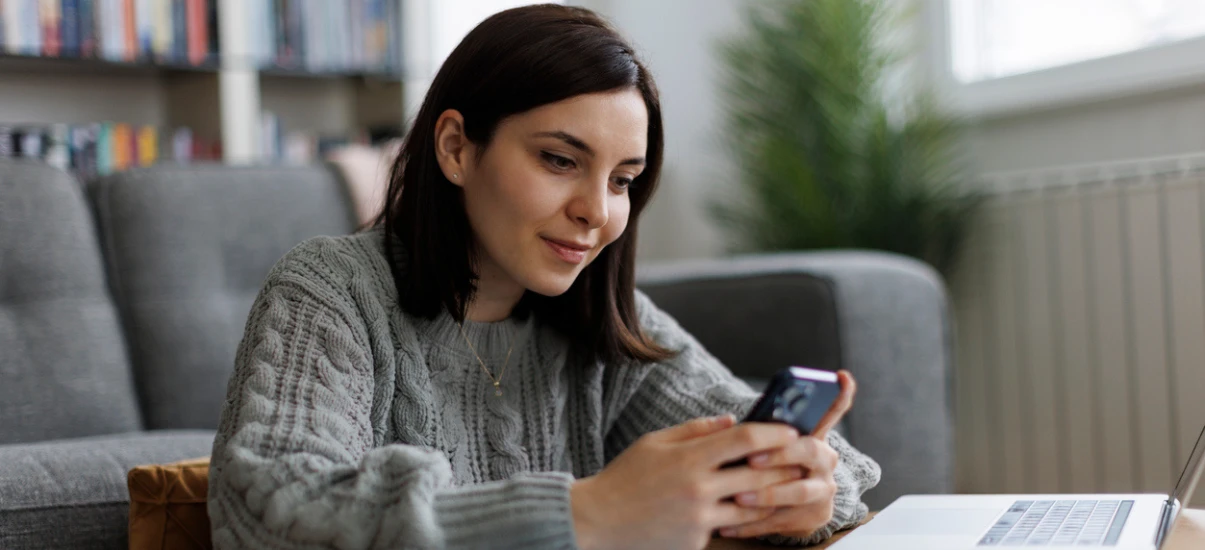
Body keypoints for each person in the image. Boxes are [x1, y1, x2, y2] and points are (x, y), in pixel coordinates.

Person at [206, 4, 881, 549]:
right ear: (455, 148)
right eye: (560, 160)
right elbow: (274, 508)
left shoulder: (604, 321)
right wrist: (587, 511)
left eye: (622, 180)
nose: (596, 211)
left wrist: (806, 490)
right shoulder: (331, 290)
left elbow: (827, 461)